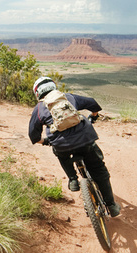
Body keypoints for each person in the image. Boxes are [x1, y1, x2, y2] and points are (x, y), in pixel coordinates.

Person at [28, 76, 120, 217]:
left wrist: (47, 141)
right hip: (85, 140)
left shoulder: (39, 109)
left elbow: (33, 136)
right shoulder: (69, 97)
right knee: (99, 170)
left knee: (59, 152)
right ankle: (111, 206)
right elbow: (93, 104)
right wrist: (93, 117)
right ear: (53, 86)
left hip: (62, 145)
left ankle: (73, 179)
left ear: (37, 92)